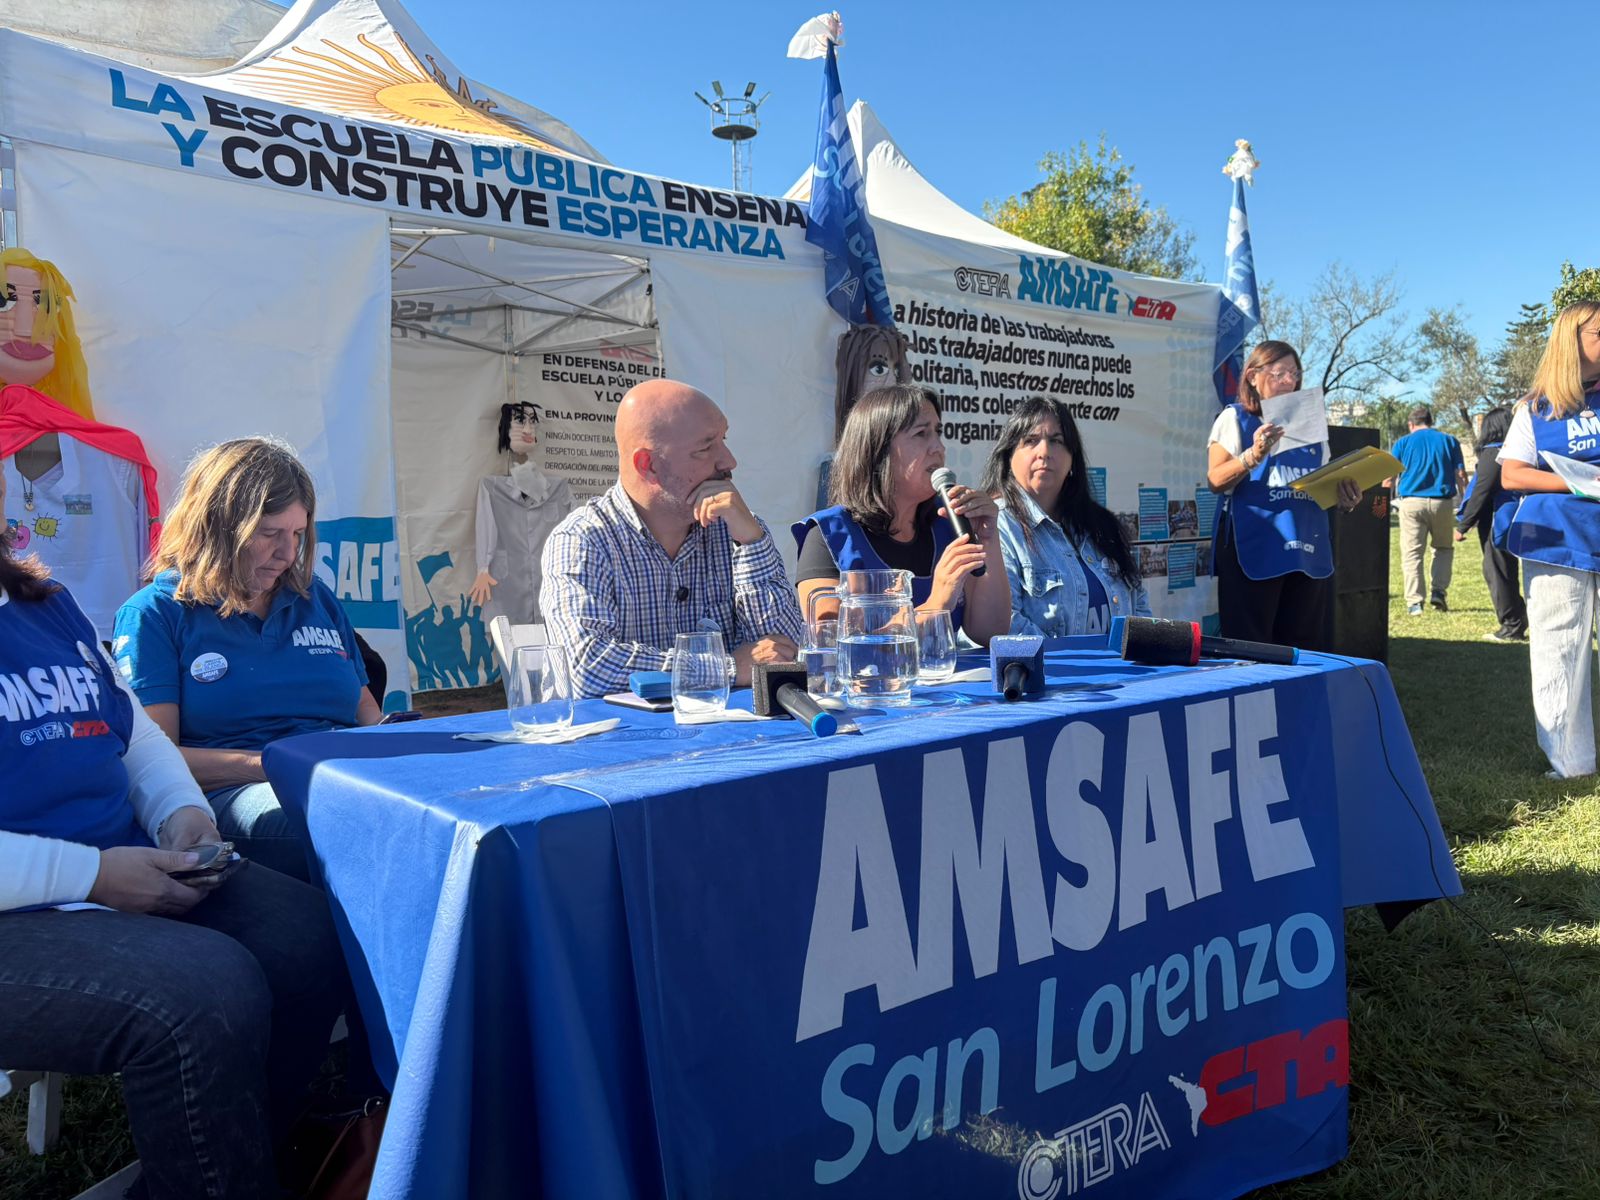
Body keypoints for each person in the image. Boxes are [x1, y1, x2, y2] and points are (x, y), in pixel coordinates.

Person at [0, 465, 344, 1200]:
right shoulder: (155, 610)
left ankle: (249, 1158)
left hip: (125, 861)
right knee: (205, 992)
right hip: (28, 907)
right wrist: (92, 876)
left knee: (311, 938)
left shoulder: (44, 604)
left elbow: (133, 738)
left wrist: (183, 815)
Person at [114, 438, 381, 882]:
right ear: (218, 527)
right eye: (270, 533)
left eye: (297, 534)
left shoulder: (313, 598)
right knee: (355, 817)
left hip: (342, 780)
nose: (288, 554)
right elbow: (153, 762)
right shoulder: (156, 614)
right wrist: (276, 764)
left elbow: (368, 714)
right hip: (239, 796)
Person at [540, 379, 804, 698]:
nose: (729, 461)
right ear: (648, 465)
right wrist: (726, 668)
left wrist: (751, 543)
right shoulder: (583, 540)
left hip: (724, 728)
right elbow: (587, 668)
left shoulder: (735, 528)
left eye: (723, 440)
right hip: (622, 732)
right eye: (705, 448)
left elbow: (785, 654)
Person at [794, 384, 1010, 644]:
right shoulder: (828, 536)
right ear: (877, 449)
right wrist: (935, 605)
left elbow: (989, 632)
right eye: (921, 434)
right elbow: (829, 642)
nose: (938, 448)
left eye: (938, 432)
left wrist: (988, 538)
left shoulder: (948, 525)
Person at [1495, 301, 1600, 780]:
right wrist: (1578, 482)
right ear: (1571, 340)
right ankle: (1571, 762)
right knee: (1558, 649)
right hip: (1557, 540)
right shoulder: (1536, 408)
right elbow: (1513, 474)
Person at [1205, 341, 1362, 650]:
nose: (1289, 381)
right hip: (1254, 546)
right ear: (1253, 376)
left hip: (1304, 549)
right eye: (1279, 373)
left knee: (1303, 648)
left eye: (1295, 373)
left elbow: (1319, 487)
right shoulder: (1235, 418)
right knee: (1251, 647)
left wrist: (1344, 500)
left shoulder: (1312, 427)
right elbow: (1215, 480)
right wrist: (1253, 455)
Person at [983, 396, 1150, 637]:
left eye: (1056, 441)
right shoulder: (995, 526)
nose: (1044, 452)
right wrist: (1069, 657)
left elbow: (1139, 605)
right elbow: (1005, 624)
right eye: (1031, 441)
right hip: (1048, 663)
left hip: (1122, 663)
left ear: (1072, 458)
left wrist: (1135, 653)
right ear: (1009, 456)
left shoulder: (1103, 524)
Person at [1454, 404, 1526, 642]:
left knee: (1497, 572)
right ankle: (1518, 618)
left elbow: (1481, 492)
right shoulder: (1517, 452)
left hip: (1497, 522)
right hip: (1516, 519)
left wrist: (1463, 525)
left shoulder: (1493, 454)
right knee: (1507, 571)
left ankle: (1511, 625)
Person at [1388, 405, 1467, 615]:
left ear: (1410, 424)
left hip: (1411, 502)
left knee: (1412, 553)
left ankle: (1415, 602)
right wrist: (1466, 504)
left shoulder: (1402, 443)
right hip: (1442, 502)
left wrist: (1381, 502)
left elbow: (1389, 477)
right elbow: (1460, 475)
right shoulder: (1449, 440)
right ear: (1431, 422)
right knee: (1443, 548)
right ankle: (1438, 592)